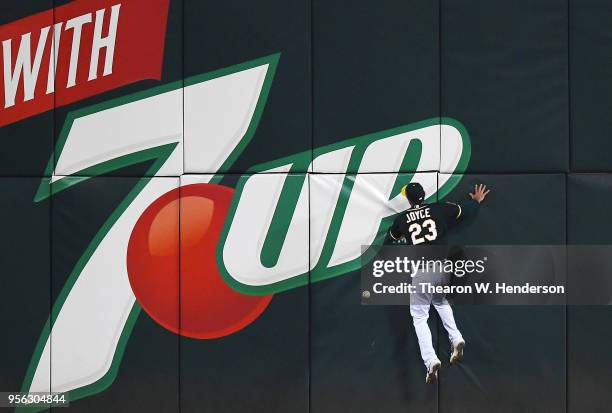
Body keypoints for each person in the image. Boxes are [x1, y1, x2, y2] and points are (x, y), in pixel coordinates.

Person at [387, 182, 490, 384]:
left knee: (419, 317)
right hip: (444, 268)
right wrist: (476, 201)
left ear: (408, 199)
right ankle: (456, 338)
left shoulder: (402, 220)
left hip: (422, 271)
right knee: (441, 301)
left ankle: (430, 360)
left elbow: (389, 241)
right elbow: (465, 211)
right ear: (423, 196)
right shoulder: (439, 208)